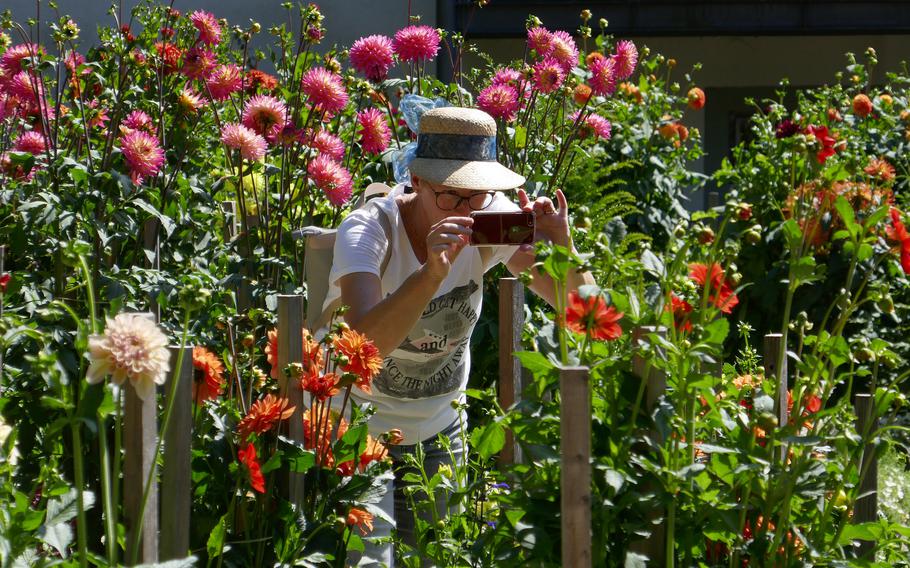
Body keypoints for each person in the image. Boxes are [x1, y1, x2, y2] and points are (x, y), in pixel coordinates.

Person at [322, 106, 594, 566]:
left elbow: (586, 316)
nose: (467, 211)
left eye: (478, 196)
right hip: (356, 432)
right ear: (416, 180)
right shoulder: (369, 230)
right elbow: (361, 346)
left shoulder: (495, 219)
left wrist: (563, 247)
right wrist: (430, 274)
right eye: (450, 196)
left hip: (440, 433)